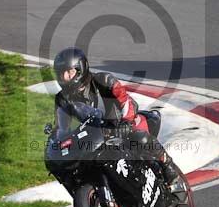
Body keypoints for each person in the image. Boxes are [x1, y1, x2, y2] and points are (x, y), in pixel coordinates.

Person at [50, 47, 181, 187]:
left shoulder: (104, 80)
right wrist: (55, 142)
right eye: (61, 74)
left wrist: (126, 121)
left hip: (123, 123)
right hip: (97, 135)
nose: (65, 78)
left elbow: (126, 102)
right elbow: (61, 127)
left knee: (139, 137)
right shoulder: (63, 99)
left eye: (69, 72)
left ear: (81, 69)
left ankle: (168, 166)